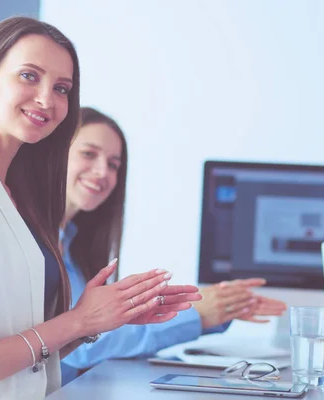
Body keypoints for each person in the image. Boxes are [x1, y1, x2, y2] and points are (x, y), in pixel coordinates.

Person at [0, 17, 200, 399]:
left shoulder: (18, 195)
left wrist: (98, 321)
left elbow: (27, 349)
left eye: (61, 88)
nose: (47, 99)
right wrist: (78, 319)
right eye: (28, 76)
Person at [59, 107, 287, 382]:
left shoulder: (73, 247)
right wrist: (195, 316)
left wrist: (215, 308)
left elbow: (100, 334)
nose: (102, 171)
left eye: (113, 164)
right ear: (55, 151)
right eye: (89, 154)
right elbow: (77, 345)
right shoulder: (39, 245)